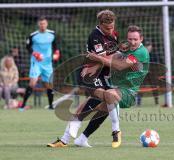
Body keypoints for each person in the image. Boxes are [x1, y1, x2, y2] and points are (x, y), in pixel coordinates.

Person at [47, 10, 120, 148]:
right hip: (88, 74)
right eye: (107, 28)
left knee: (106, 105)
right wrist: (108, 60)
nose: (110, 30)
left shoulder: (114, 34)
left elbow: (110, 57)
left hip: (102, 75)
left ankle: (73, 138)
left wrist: (111, 59)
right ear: (100, 24)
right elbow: (105, 59)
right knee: (100, 97)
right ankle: (75, 126)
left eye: (112, 27)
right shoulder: (95, 35)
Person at [19, 16, 60, 111]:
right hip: (36, 62)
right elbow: (28, 47)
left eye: (44, 23)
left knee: (49, 85)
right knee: (32, 83)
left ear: (47, 24)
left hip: (47, 63)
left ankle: (51, 106)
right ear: (38, 24)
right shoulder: (33, 35)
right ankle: (23, 105)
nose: (42, 25)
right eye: (41, 24)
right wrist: (35, 53)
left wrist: (56, 54)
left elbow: (55, 46)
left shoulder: (52, 34)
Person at [136, 40, 160, 106]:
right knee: (141, 87)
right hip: (144, 74)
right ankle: (138, 102)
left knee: (155, 88)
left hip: (153, 74)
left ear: (151, 47)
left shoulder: (155, 55)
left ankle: (156, 102)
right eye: (146, 46)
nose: (148, 47)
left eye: (149, 45)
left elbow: (157, 65)